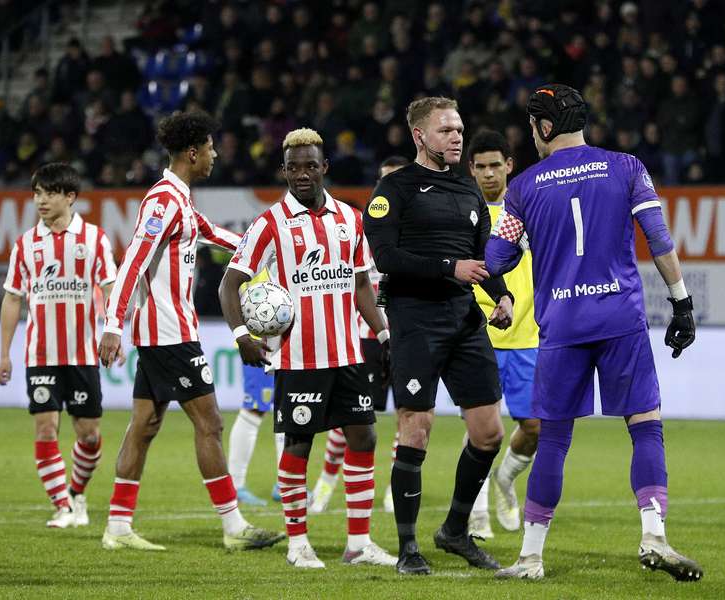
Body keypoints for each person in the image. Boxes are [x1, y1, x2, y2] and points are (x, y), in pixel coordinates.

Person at [486, 84, 702, 582]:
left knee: (555, 438)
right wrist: (682, 303)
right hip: (620, 320)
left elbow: (498, 259)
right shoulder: (627, 168)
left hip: (561, 323)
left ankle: (530, 559)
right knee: (645, 425)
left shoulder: (524, 187)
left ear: (543, 127)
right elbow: (659, 239)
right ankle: (654, 535)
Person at [98, 110, 283, 552]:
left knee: (143, 425)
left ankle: (118, 527)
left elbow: (217, 235)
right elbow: (133, 262)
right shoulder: (163, 202)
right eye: (211, 148)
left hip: (163, 334)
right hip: (170, 334)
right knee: (211, 422)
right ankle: (233, 526)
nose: (216, 155)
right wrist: (112, 324)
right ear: (193, 152)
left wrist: (275, 251)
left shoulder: (178, 200)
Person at [218, 128, 397, 569]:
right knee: (298, 445)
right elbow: (229, 284)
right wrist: (243, 334)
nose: (302, 174)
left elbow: (360, 286)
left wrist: (385, 333)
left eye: (310, 165)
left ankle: (358, 544)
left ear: (324, 167)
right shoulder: (269, 224)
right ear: (283, 170)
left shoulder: (350, 219)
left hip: (348, 354)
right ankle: (298, 544)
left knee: (365, 435)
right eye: (293, 167)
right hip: (299, 360)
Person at [363, 97, 514, 575]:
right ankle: (408, 550)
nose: (456, 136)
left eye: (459, 129)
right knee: (416, 430)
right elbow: (386, 257)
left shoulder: (470, 192)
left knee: (489, 433)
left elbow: (482, 257)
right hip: (415, 320)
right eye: (446, 129)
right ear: (419, 136)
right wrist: (451, 268)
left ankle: (453, 530)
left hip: (464, 319)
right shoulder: (395, 188)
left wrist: (502, 295)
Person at [0, 162, 117, 529]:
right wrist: (4, 353)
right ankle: (62, 505)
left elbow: (111, 287)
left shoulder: (94, 239)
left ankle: (77, 492)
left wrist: (114, 330)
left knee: (89, 434)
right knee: (46, 427)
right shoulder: (25, 244)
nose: (41, 200)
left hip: (82, 355)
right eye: (36, 193)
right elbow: (12, 299)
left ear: (70, 197)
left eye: (49, 193)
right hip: (41, 356)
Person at [307, 155, 410, 516]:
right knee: (353, 417)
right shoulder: (358, 225)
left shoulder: (423, 229)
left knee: (407, 416)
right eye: (384, 179)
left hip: (408, 337)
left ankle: (394, 489)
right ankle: (326, 481)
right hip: (365, 337)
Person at [465, 131, 540, 539]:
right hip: (479, 337)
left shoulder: (528, 209)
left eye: (496, 165)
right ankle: (476, 516)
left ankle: (505, 482)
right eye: (481, 167)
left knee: (533, 427)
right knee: (481, 428)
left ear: (509, 165)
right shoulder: (466, 213)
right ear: (470, 170)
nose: (489, 174)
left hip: (528, 336)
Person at [226, 267, 286, 506]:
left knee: (288, 407)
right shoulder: (258, 256)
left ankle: (285, 483)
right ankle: (236, 485)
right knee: (254, 408)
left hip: (285, 341)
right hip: (260, 342)